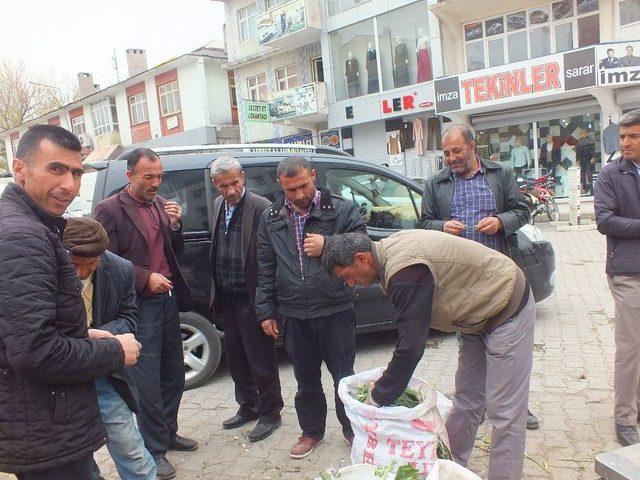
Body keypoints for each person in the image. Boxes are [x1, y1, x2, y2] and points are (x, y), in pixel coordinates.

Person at [322, 230, 536, 480]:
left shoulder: (405, 271)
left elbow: (411, 346)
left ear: (361, 258)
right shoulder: (388, 255)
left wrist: (379, 395)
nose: (350, 284)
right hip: (473, 317)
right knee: (467, 401)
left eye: (348, 276)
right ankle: (448, 470)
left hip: (505, 305)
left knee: (504, 411)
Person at [0, 125, 141, 480]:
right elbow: (36, 352)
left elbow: (19, 326)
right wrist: (114, 353)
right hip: (46, 425)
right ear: (20, 169)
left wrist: (84, 334)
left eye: (76, 172)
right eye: (56, 169)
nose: (69, 184)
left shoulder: (30, 226)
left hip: (42, 420)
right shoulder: (23, 236)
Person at [419, 124, 539, 430]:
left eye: (456, 150)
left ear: (473, 146)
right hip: (461, 281)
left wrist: (500, 222)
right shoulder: (436, 183)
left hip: (500, 277)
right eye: (446, 152)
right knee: (471, 346)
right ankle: (476, 405)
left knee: (509, 348)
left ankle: (515, 408)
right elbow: (424, 222)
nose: (451, 158)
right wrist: (441, 227)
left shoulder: (501, 174)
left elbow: (522, 210)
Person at [94, 147, 196, 480]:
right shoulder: (109, 210)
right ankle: (153, 450)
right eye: (148, 177)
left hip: (167, 300)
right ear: (130, 176)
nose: (155, 183)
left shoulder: (159, 205)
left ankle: (168, 433)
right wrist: (143, 278)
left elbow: (172, 249)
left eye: (159, 176)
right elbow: (104, 262)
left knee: (173, 373)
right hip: (139, 304)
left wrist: (176, 225)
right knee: (147, 380)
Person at [255, 156, 366, 458]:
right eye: (291, 190)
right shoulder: (272, 217)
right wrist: (265, 311)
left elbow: (362, 245)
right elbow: (265, 266)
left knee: (344, 376)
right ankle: (311, 432)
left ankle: (351, 428)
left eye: (304, 186)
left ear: (314, 176)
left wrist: (329, 244)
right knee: (305, 380)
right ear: (281, 185)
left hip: (335, 309)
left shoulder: (341, 208)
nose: (299, 195)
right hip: (293, 313)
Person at [62, 217, 157, 480]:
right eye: (75, 265)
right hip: (63, 377)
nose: (81, 273)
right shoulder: (49, 269)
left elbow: (130, 318)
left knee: (129, 446)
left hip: (106, 374)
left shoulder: (121, 270)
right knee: (77, 459)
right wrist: (82, 335)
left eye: (90, 265)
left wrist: (98, 337)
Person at [208, 156, 284, 441]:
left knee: (261, 359)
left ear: (243, 177)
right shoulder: (218, 205)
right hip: (227, 296)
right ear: (215, 184)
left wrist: (269, 306)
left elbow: (273, 259)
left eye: (235, 183)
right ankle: (248, 405)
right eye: (224, 185)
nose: (230, 190)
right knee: (237, 358)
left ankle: (270, 412)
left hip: (253, 298)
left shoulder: (261, 207)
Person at [594, 109, 640, 447]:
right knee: (630, 348)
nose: (626, 142)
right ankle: (625, 418)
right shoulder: (610, 175)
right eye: (623, 136)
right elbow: (605, 221)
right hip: (628, 273)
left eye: (633, 136)